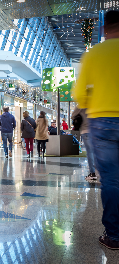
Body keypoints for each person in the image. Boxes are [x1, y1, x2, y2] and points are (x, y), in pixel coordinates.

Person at [72, 10, 119, 250]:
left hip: (104, 121)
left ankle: (114, 235)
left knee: (110, 179)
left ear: (104, 29)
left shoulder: (94, 55)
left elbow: (79, 95)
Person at [71, 106, 95, 180]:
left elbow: (73, 116)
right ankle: (99, 172)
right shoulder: (94, 101)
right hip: (96, 130)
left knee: (90, 152)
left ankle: (93, 173)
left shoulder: (81, 105)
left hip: (86, 130)